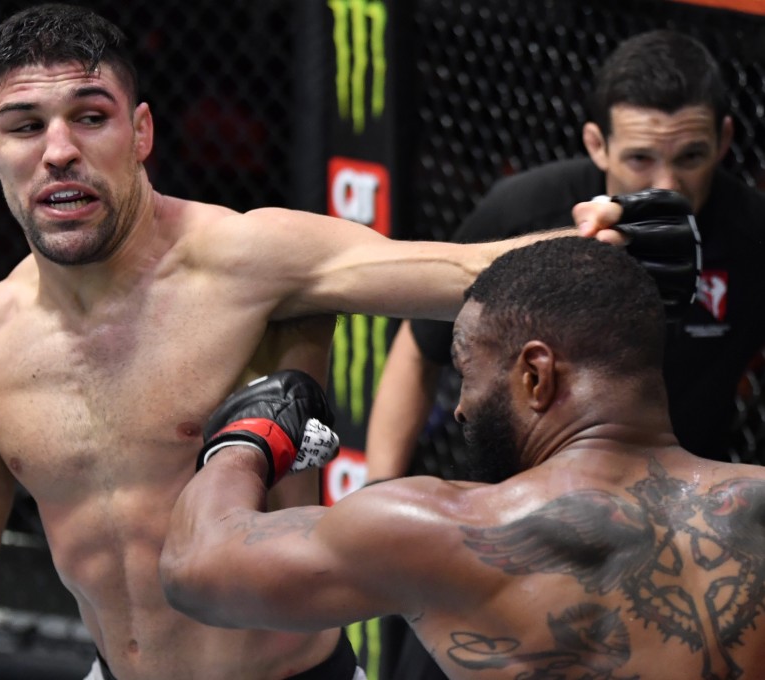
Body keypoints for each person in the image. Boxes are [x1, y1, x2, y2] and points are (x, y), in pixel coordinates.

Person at [0, 4, 646, 679]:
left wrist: (611, 240)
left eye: (90, 116)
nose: (59, 150)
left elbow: (467, 274)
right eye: (28, 127)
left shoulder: (251, 260)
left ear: (140, 133)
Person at [160, 236, 765, 680]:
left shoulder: (446, 531)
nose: (461, 409)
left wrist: (246, 440)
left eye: (468, 374)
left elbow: (195, 565)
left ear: (535, 375)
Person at [366, 29, 765, 490]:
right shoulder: (526, 211)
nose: (667, 184)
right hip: (522, 493)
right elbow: (419, 350)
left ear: (724, 139)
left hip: (686, 498)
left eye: (690, 156)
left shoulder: (753, 234)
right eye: (640, 158)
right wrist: (378, 487)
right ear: (597, 144)